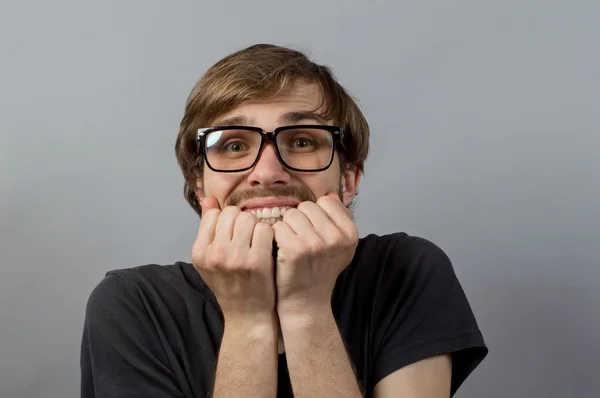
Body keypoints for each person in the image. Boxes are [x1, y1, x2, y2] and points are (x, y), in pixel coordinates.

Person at [80, 44, 488, 398]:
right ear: (200, 184)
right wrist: (248, 320)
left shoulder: (405, 272)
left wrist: (306, 310)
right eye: (235, 144)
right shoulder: (133, 305)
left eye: (302, 141)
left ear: (348, 180)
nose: (268, 171)